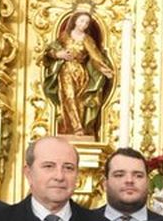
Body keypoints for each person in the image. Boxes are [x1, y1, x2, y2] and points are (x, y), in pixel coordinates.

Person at [42, 11, 115, 139]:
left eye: (86, 22)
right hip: (65, 70)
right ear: (75, 21)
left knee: (80, 100)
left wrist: (103, 69)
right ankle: (76, 128)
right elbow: (50, 50)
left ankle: (81, 126)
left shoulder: (87, 39)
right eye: (81, 21)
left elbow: (95, 56)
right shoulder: (64, 36)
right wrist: (58, 54)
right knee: (68, 97)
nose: (84, 24)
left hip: (81, 72)